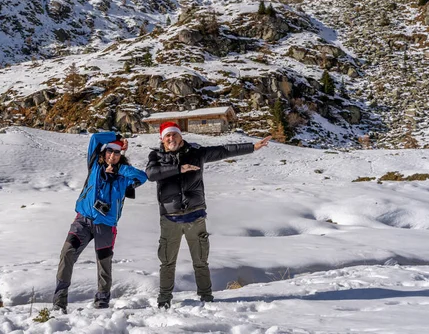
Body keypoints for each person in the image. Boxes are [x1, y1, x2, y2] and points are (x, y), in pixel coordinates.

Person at [145, 121, 271, 309]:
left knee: (201, 261)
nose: (171, 138)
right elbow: (151, 174)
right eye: (167, 136)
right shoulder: (156, 156)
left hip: (195, 216)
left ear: (181, 136)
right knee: (167, 262)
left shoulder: (196, 153)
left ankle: (206, 297)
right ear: (162, 140)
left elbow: (224, 150)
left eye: (174, 135)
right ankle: (164, 299)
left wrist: (252, 147)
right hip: (170, 218)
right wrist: (179, 169)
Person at [53, 131, 148, 313]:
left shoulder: (124, 178)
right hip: (83, 221)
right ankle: (59, 301)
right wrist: (118, 137)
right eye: (110, 151)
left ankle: (102, 301)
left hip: (106, 225)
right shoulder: (94, 166)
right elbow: (95, 138)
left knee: (103, 263)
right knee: (67, 253)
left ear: (121, 156)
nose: (112, 155)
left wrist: (119, 169)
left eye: (117, 152)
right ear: (104, 153)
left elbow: (142, 177)